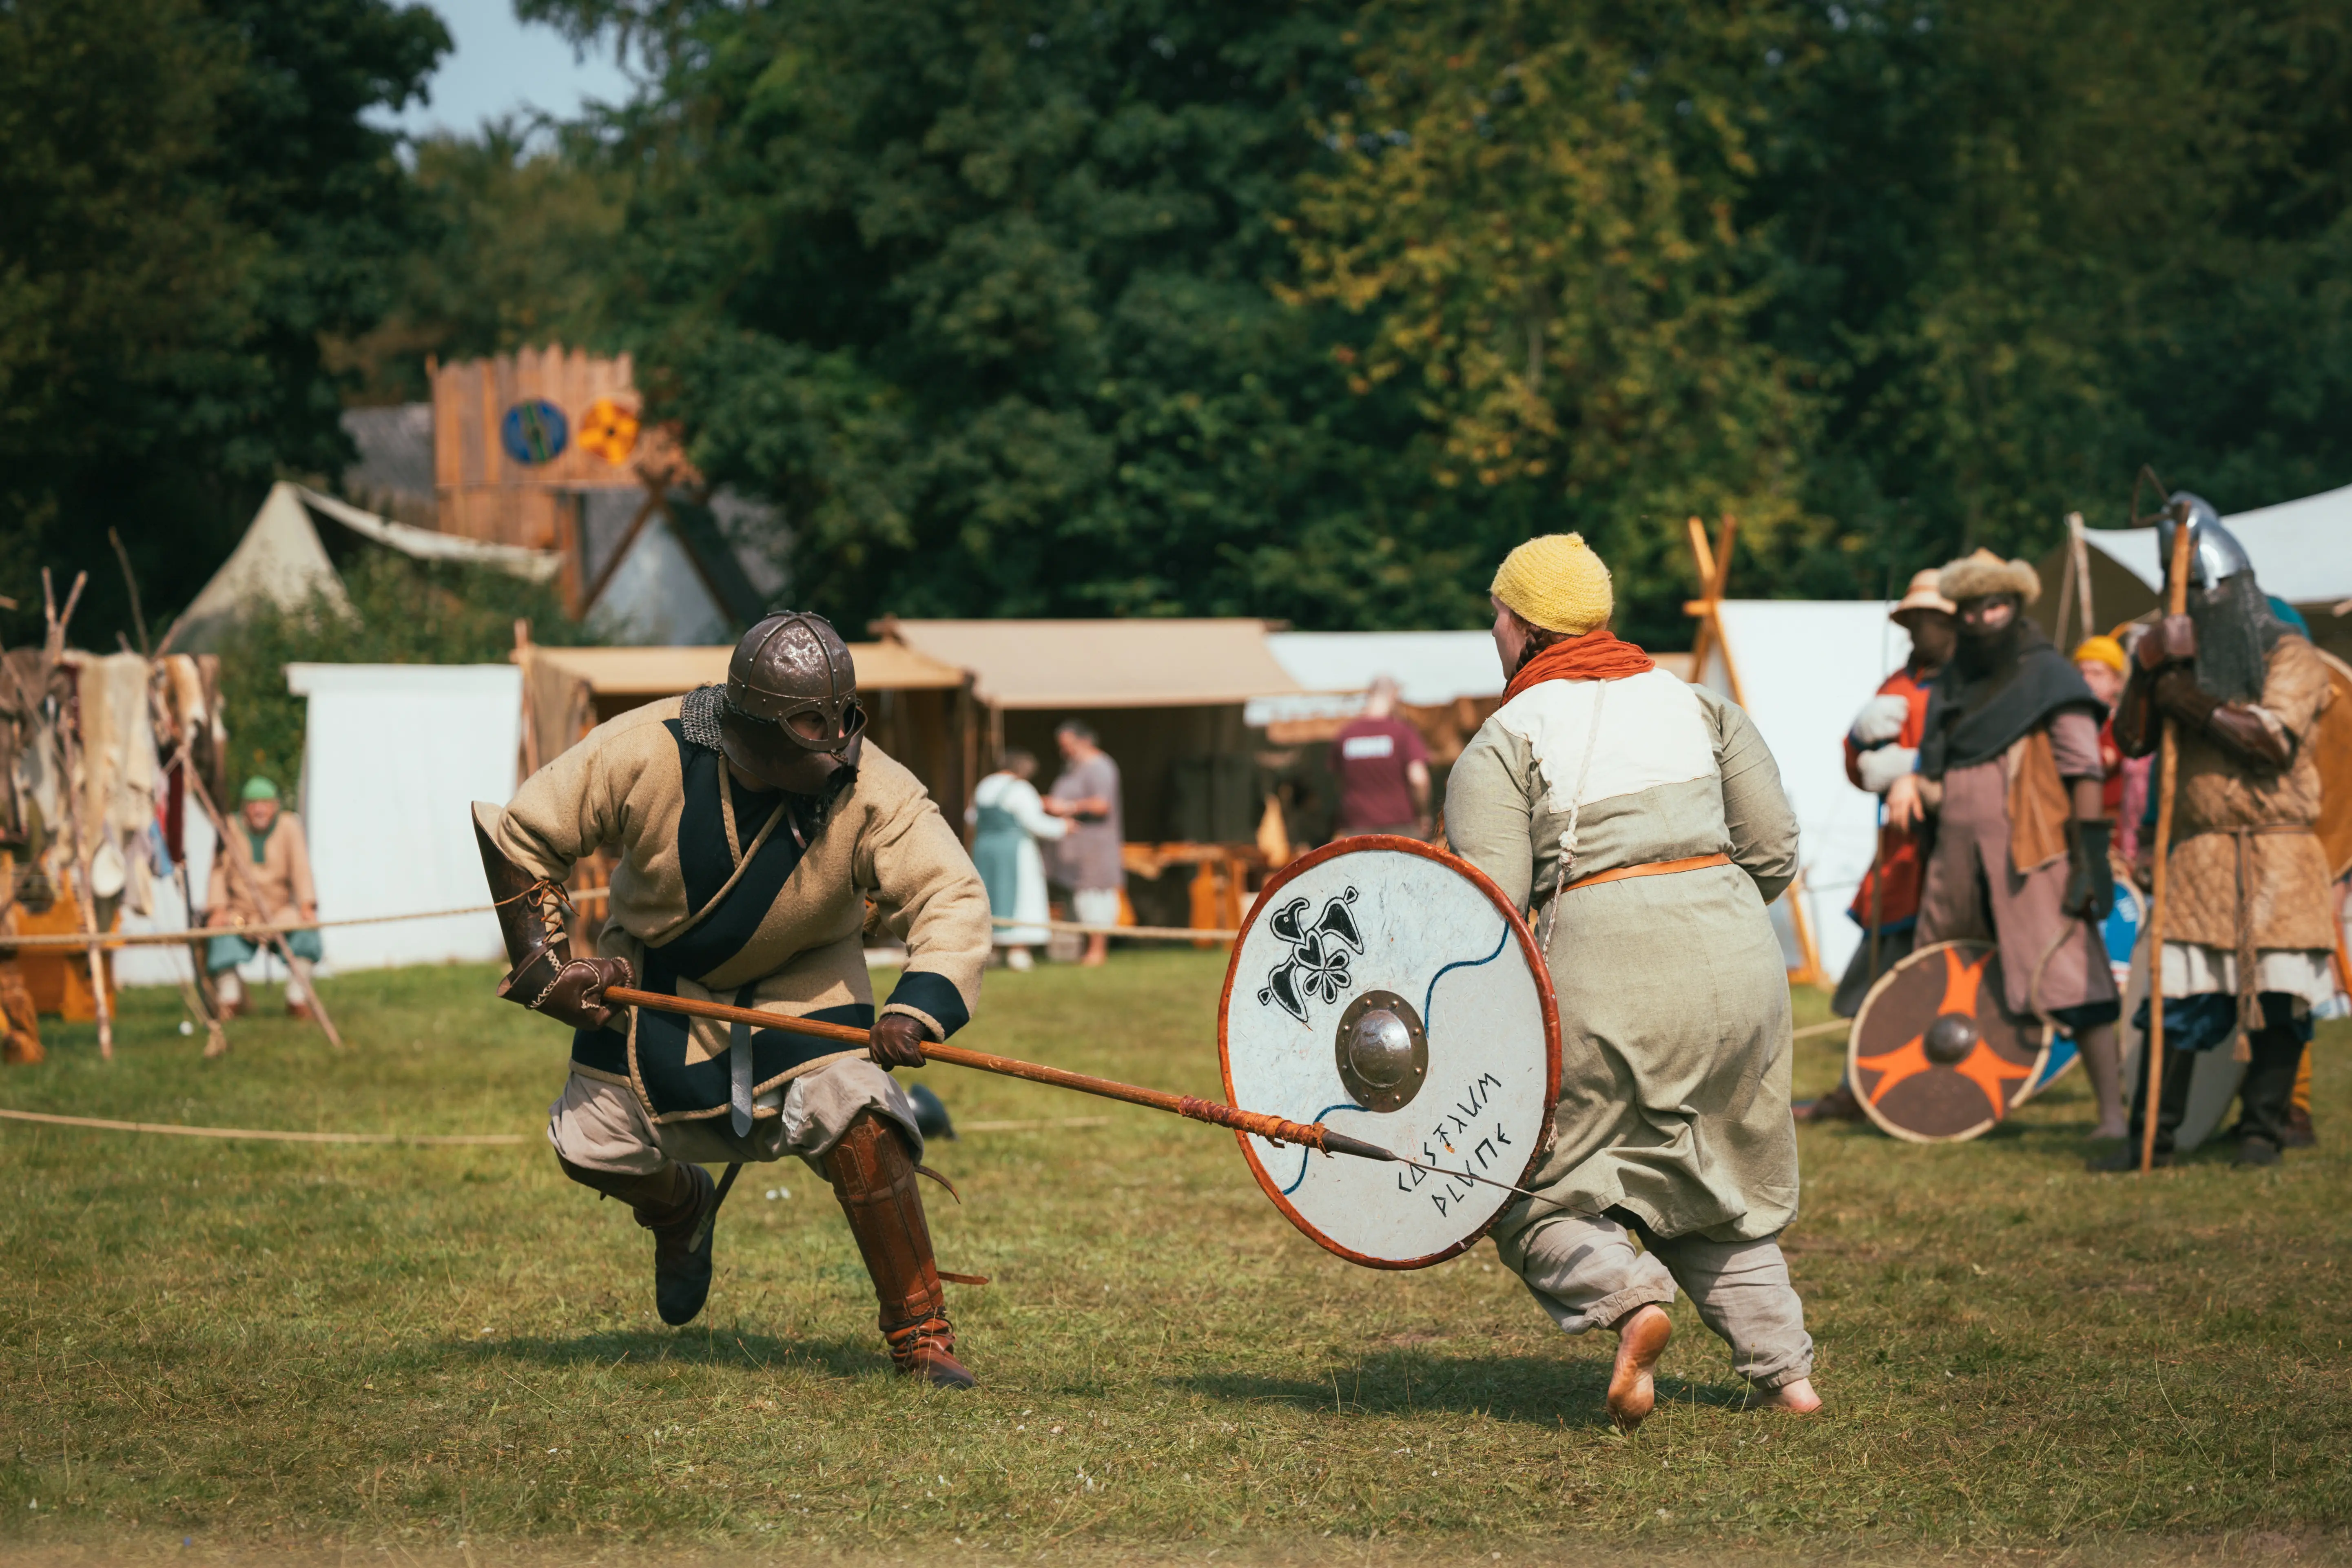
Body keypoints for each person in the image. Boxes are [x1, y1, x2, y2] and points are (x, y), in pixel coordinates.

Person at [474, 611, 991, 1386]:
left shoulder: (878, 788)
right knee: (588, 1143)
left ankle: (920, 1331)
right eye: (809, 722)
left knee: (864, 1116)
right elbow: (522, 833)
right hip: (653, 983)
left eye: (841, 718)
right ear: (754, 723)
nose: (835, 739)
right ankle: (682, 1208)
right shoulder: (644, 746)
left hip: (806, 987)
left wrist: (914, 1005)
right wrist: (548, 968)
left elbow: (949, 891)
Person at [1444, 532, 1820, 1431]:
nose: (1492, 631)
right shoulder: (1700, 705)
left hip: (1604, 977)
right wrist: (1704, 915)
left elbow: (1490, 912)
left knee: (1532, 1189)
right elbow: (1772, 848)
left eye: (1497, 615)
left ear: (1528, 626)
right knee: (1718, 1185)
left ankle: (1628, 1293)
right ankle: (1790, 1378)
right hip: (1741, 966)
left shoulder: (1506, 738)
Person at [2100, 498, 2337, 1170]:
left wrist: (2191, 701)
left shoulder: (2293, 655)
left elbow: (2270, 738)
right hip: (2200, 850)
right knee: (2176, 999)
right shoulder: (2177, 665)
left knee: (2280, 998)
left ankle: (2261, 1130)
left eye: (2208, 593)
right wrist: (2147, 671)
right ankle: (2155, 1135)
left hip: (2279, 850)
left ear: (2234, 590)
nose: (2200, 607)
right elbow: (2130, 739)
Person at [1890, 550, 2125, 1141]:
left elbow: (2083, 769)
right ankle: (1951, 1108)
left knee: (2072, 979)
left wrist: (2089, 860)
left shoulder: (2049, 676)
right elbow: (1941, 769)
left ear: (2015, 608)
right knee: (1946, 978)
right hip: (1956, 860)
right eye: (1969, 610)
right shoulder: (1954, 681)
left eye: (1994, 606)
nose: (1980, 620)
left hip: (2034, 851)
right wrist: (1916, 786)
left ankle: (2112, 1117)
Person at [1796, 570, 1957, 1123]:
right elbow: (1857, 768)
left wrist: (1919, 768)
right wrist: (1860, 741)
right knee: (1879, 981)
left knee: (1940, 983)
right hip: (1899, 859)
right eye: (1913, 619)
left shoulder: (1970, 683)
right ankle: (1859, 1089)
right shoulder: (1897, 683)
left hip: (1952, 858)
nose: (1919, 630)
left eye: (1930, 620)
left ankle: (1923, 1090)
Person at [203, 777, 323, 1019]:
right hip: (241, 916)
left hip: (280, 914)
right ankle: (229, 999)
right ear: (245, 807)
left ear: (275, 806)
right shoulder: (230, 827)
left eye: (265, 803)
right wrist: (217, 909)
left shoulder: (289, 826)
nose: (259, 809)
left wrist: (307, 905)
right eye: (253, 804)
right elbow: (218, 872)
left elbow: (301, 868)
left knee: (306, 931)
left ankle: (297, 997)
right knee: (219, 933)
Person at [967, 748, 1067, 971]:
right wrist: (1064, 826)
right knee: (1022, 896)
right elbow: (1035, 822)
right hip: (1015, 849)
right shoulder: (1021, 789)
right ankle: (1018, 950)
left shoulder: (984, 786)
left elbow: (971, 817)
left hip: (985, 847)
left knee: (989, 895)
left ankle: (994, 949)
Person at [1043, 721, 1123, 967]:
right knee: (1078, 900)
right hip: (1076, 850)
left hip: (1095, 849)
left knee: (1095, 898)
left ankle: (1097, 950)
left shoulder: (1100, 767)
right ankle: (1081, 950)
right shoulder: (1073, 768)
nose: (1064, 751)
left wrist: (1066, 807)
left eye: (1068, 746)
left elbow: (1102, 804)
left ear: (1085, 741)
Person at [1329, 675, 1432, 839]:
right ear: (1394, 696)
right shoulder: (1402, 732)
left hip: (1357, 829)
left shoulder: (1346, 735)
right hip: (1401, 828)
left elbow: (1338, 782)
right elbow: (1418, 778)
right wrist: (1422, 813)